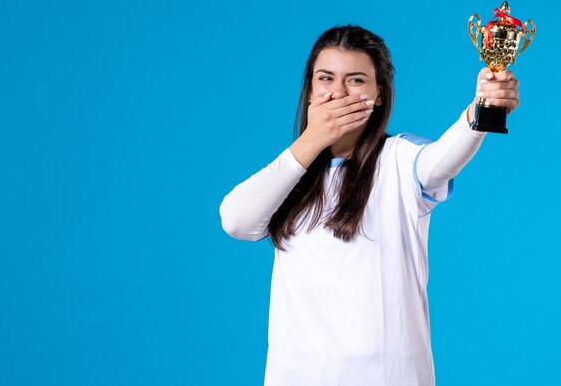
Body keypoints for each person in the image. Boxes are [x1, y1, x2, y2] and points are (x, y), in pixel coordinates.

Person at [218, 25, 520, 386]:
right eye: (326, 78)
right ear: (310, 88)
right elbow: (236, 221)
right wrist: (312, 141)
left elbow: (442, 159)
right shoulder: (290, 174)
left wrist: (481, 111)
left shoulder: (400, 159)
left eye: (356, 80)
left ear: (379, 94)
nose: (338, 93)